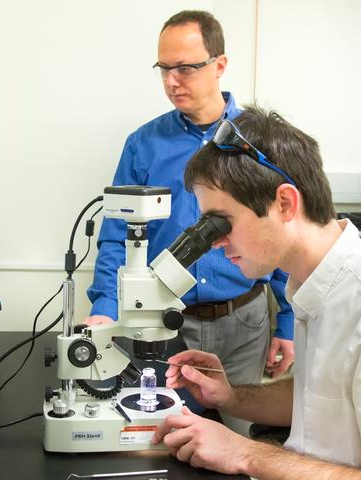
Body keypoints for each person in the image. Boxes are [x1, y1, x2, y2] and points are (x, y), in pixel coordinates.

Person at [151, 105, 361, 479]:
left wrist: (246, 453)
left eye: (222, 222)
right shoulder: (318, 288)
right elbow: (317, 401)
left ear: (284, 203)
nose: (215, 244)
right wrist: (230, 397)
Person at [85, 11, 295, 432]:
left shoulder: (260, 141)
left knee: (239, 442)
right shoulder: (143, 145)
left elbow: (282, 233)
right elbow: (114, 237)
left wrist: (286, 321)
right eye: (164, 69)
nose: (172, 81)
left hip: (244, 324)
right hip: (163, 326)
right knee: (168, 441)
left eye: (185, 67)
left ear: (219, 64)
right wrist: (105, 310)